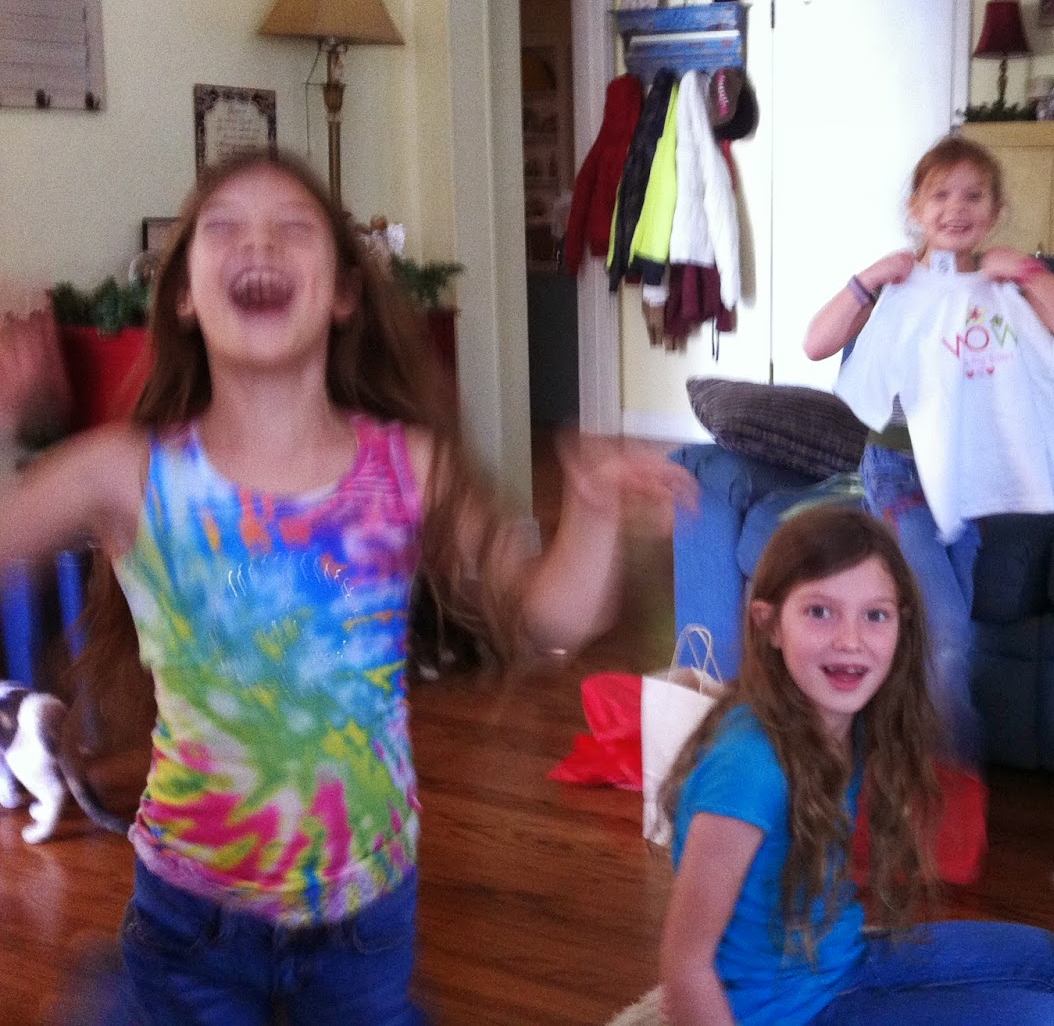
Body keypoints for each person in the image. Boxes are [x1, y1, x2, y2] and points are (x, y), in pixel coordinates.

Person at [0, 152, 690, 1022]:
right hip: (191, 922)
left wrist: (591, 514)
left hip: (364, 923)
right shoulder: (129, 472)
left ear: (344, 294)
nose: (259, 243)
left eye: (292, 228)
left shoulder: (409, 467)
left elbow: (552, 617)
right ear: (181, 296)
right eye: (224, 227)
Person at [659, 506, 1054, 1026]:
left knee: (1050, 961)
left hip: (843, 965)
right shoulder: (750, 769)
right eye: (820, 611)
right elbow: (685, 964)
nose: (851, 640)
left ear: (900, 625)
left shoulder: (850, 722)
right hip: (785, 1014)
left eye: (875, 615)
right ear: (769, 624)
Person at [802, 138, 1054, 783]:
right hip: (898, 476)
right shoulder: (898, 285)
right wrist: (867, 281)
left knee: (936, 631)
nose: (956, 208)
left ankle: (890, 762)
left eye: (974, 195)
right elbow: (816, 344)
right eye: (940, 194)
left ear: (996, 211)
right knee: (948, 639)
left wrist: (1028, 273)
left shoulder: (1002, 285)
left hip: (969, 479)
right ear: (915, 208)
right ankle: (950, 786)